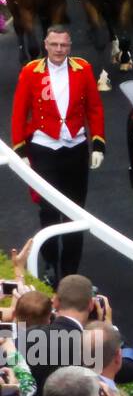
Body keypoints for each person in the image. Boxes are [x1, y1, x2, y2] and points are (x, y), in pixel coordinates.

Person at [10, 27, 105, 283]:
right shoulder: (31, 72)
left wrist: (97, 144)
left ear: (70, 45)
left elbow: (94, 108)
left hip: (75, 147)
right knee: (49, 211)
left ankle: (71, 273)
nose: (59, 50)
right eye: (54, 45)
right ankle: (51, 265)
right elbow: (19, 111)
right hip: (44, 149)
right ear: (46, 44)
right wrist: (20, 150)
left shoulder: (83, 69)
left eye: (63, 45)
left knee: (75, 213)